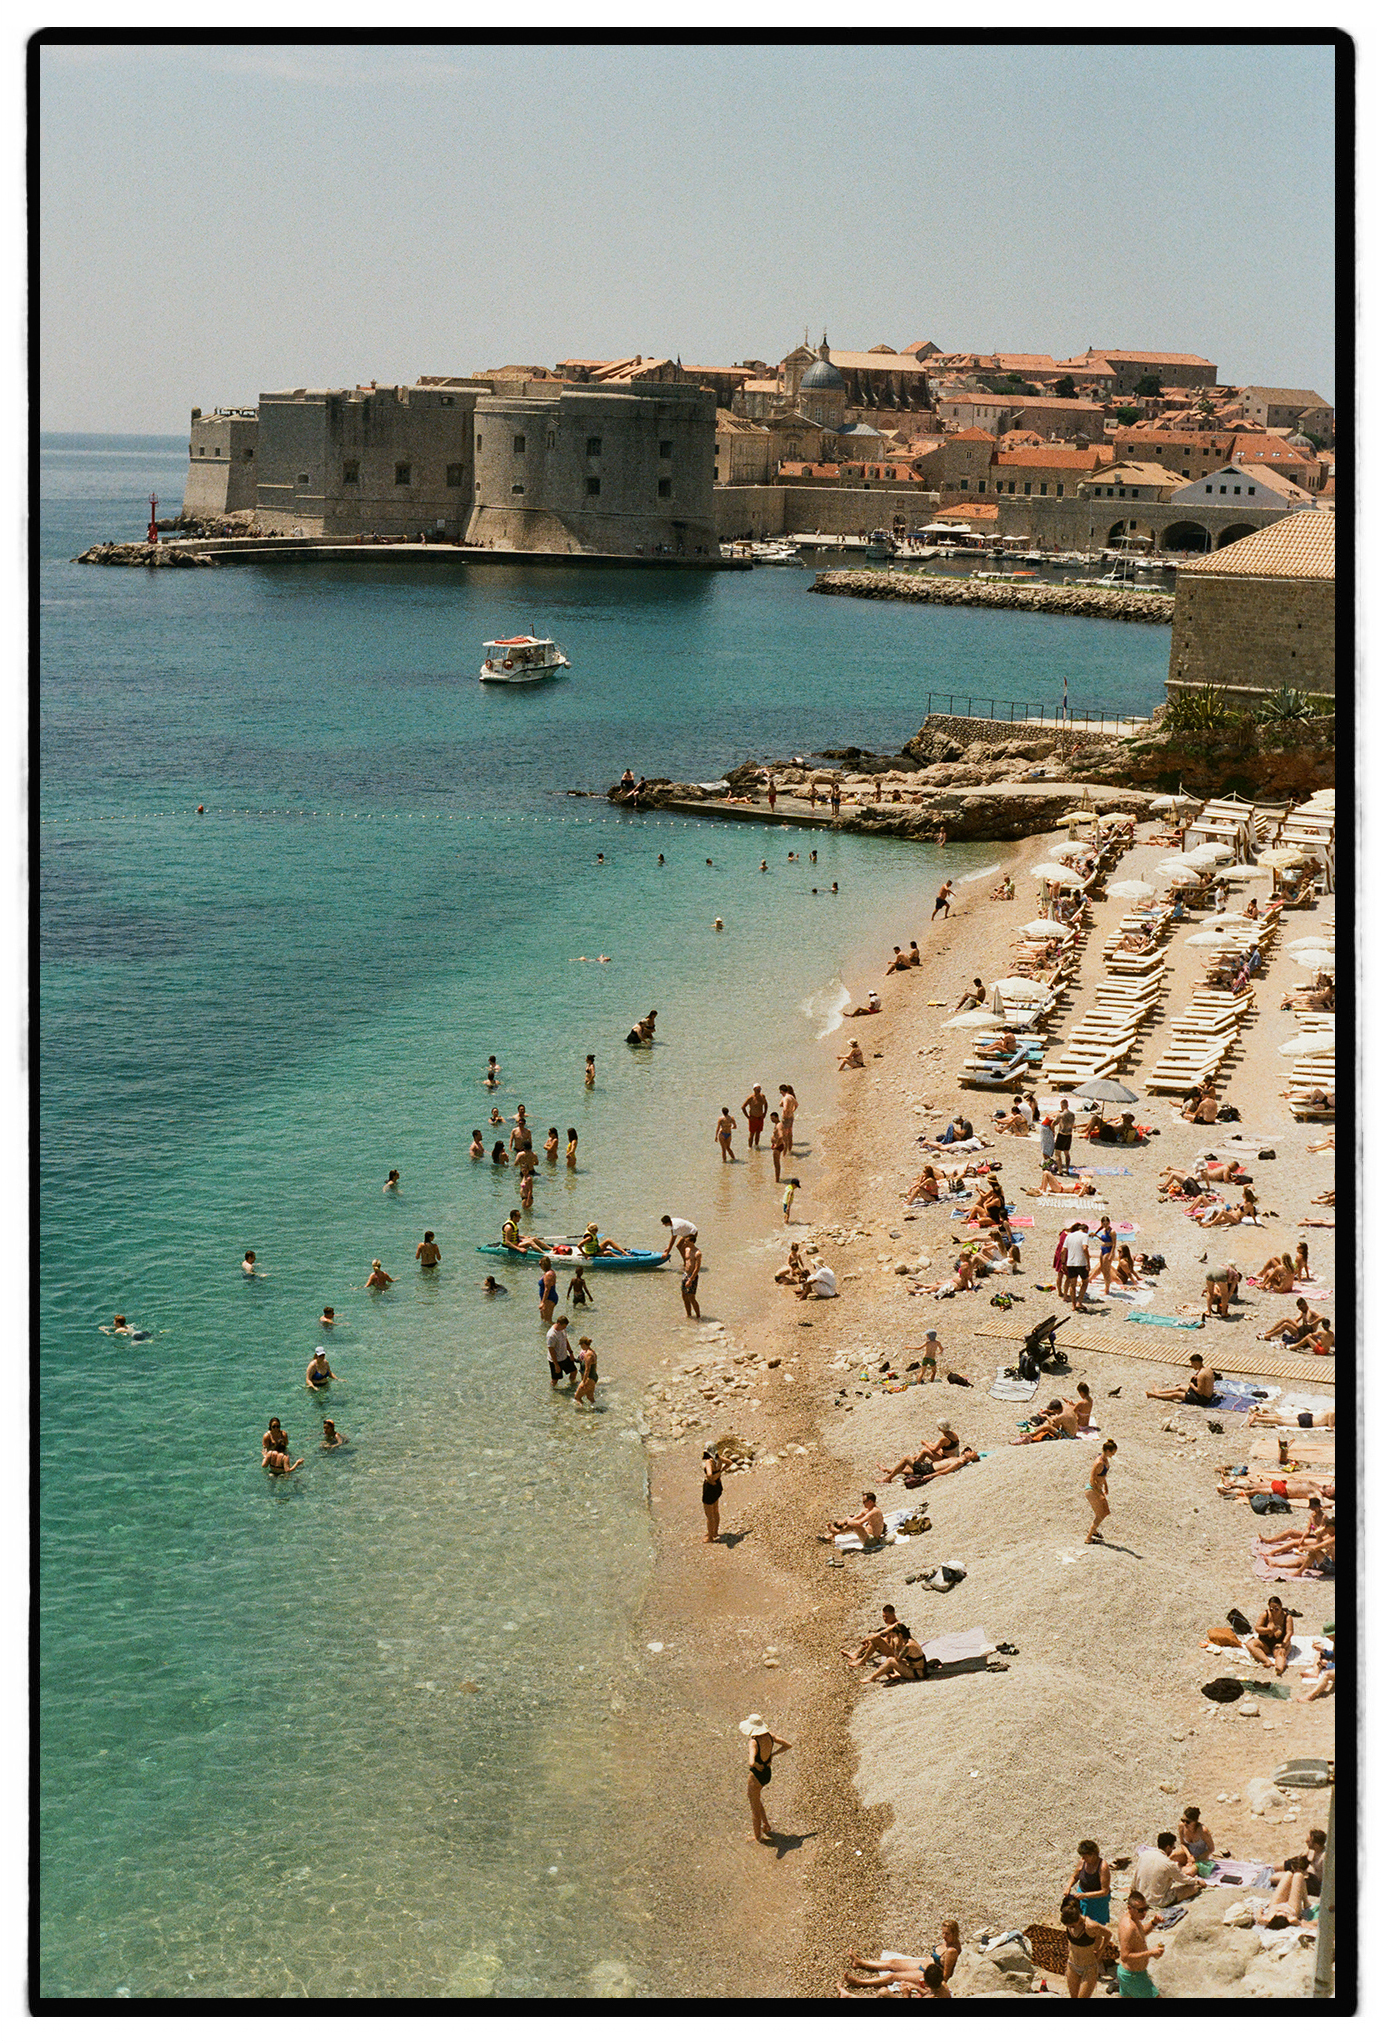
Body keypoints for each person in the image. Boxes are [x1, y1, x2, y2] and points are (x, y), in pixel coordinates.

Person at [741, 1714, 791, 1843]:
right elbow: (788, 1745)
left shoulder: (753, 1742)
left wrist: (756, 1765)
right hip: (767, 1773)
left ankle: (757, 1836)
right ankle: (766, 1825)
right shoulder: (770, 1736)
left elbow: (751, 1762)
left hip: (756, 1777)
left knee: (754, 1807)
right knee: (756, 1798)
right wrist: (772, 1755)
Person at [1060, 1897, 1115, 1999]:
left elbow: (1108, 1934)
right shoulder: (1069, 1917)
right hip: (1072, 1964)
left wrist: (1100, 1952)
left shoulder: (1090, 1926)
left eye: (1072, 1926)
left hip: (1088, 1968)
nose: (1071, 1928)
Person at [1134, 1834, 1206, 1907]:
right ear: (1168, 1847)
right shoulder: (1168, 1863)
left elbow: (1136, 1876)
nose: (1172, 1850)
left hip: (1141, 1898)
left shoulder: (1144, 1855)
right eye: (1173, 1847)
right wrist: (1197, 1881)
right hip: (1158, 1901)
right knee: (1194, 1888)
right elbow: (1183, 1879)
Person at [1117, 1892, 1163, 1999]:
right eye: (1140, 1910)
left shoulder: (1134, 1919)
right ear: (1130, 1908)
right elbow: (1125, 1956)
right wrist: (1150, 1953)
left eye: (1146, 1908)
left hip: (1132, 1974)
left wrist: (1153, 1923)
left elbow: (1141, 1933)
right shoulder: (1128, 1927)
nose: (1144, 1913)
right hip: (1133, 1976)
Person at [1064, 1840, 1112, 1925]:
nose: (1083, 1859)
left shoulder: (1102, 1867)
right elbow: (1075, 1876)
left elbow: (1105, 1891)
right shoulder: (1083, 1862)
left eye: (1085, 1856)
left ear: (1092, 1855)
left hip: (1097, 1901)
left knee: (1095, 1925)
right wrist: (1068, 1886)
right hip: (1082, 1896)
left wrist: (1086, 1895)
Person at [864, 1622, 929, 1683]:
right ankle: (889, 1674)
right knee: (890, 1660)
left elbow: (897, 1658)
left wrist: (896, 1645)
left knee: (890, 1660)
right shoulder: (909, 1641)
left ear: (900, 1635)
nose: (894, 1638)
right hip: (917, 1670)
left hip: (917, 1673)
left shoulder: (908, 1646)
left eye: (894, 1636)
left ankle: (872, 1677)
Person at [1247, 1596, 1294, 1674]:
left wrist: (1284, 1645)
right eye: (1271, 1609)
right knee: (1250, 1644)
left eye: (1276, 1609)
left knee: (1280, 1653)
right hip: (1265, 1642)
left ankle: (1279, 1668)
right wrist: (1269, 1630)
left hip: (1279, 1643)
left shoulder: (1287, 1617)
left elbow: (1289, 1632)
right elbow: (1257, 1628)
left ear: (1281, 1607)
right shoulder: (1265, 1614)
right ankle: (1266, 1661)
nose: (1274, 1611)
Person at [1146, 1355, 1217, 1405]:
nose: (1192, 1366)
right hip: (1208, 1395)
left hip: (1203, 1399)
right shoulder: (1208, 1369)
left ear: (1196, 1363)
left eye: (1192, 1364)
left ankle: (1155, 1395)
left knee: (1177, 1394)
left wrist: (1191, 1385)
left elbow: (1199, 1391)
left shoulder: (1201, 1375)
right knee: (1181, 1387)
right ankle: (1160, 1391)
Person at [1085, 1440, 1116, 1543]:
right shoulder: (1099, 1463)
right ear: (1108, 1451)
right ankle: (1089, 1537)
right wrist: (1099, 1494)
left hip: (1098, 1489)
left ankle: (1093, 1530)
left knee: (1104, 1511)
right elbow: (1092, 1478)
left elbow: (1102, 1475)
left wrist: (1105, 1486)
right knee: (1101, 1513)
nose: (1113, 1455)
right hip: (1093, 1490)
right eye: (1112, 1453)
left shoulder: (1105, 1460)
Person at [546, 1316, 577, 1388]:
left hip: (564, 1357)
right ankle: (553, 1390)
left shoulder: (562, 1330)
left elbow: (565, 1340)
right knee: (555, 1379)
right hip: (555, 1360)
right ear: (559, 1324)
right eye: (564, 1326)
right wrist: (556, 1365)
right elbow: (551, 1350)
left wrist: (571, 1353)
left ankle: (572, 1386)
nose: (565, 1328)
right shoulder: (551, 1335)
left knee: (574, 1371)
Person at [702, 1444, 724, 1542]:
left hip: (710, 1488)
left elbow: (709, 1474)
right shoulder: (719, 1459)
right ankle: (715, 1532)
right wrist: (720, 1472)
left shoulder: (709, 1462)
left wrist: (710, 1480)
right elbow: (730, 1462)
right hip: (718, 1486)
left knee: (709, 1515)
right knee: (715, 1511)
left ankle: (710, 1537)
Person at [573, 1335, 599, 1407]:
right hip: (594, 1377)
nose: (581, 1347)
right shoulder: (593, 1352)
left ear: (583, 1344)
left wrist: (584, 1382)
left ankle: (582, 1411)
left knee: (577, 1397)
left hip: (589, 1378)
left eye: (581, 1345)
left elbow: (587, 1369)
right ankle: (596, 1409)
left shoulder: (588, 1354)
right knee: (590, 1397)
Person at [681, 1235, 703, 1319]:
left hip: (692, 1276)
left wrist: (690, 1279)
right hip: (685, 1274)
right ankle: (689, 1315)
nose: (685, 1243)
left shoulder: (697, 1253)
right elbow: (686, 1262)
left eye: (686, 1242)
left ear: (692, 1242)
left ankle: (698, 1316)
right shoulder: (686, 1249)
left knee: (691, 1297)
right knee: (684, 1296)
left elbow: (697, 1268)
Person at [1053, 1098, 1075, 1175]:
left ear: (1062, 1106)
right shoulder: (1072, 1114)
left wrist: (1053, 1131)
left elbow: (1054, 1123)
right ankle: (1067, 1169)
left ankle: (1060, 1170)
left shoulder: (1061, 1115)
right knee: (1067, 1153)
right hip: (1069, 1134)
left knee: (1057, 1153)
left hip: (1062, 1134)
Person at [537, 1258, 559, 1324]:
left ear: (544, 1264)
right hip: (545, 1298)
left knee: (548, 1320)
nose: (539, 1266)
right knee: (543, 1319)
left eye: (540, 1264)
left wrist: (543, 1302)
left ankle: (558, 1328)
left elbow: (547, 1289)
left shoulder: (549, 1274)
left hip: (549, 1298)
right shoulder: (546, 1273)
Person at [778, 1085, 798, 1153]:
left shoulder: (785, 1098)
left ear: (782, 1091)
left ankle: (785, 1153)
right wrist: (792, 1111)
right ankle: (790, 1150)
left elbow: (785, 1108)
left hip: (786, 1118)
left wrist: (784, 1115)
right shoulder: (791, 1096)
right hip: (791, 1117)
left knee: (785, 1136)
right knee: (790, 1134)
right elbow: (796, 1105)